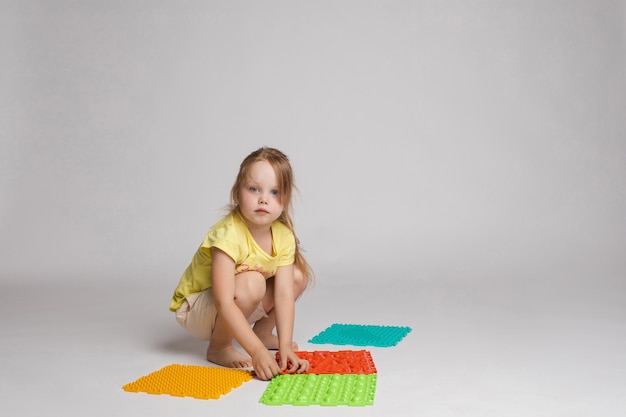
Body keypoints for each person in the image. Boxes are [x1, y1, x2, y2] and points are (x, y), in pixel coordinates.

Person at [169, 147, 313, 380]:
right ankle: (219, 347)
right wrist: (255, 352)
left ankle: (263, 334)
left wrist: (285, 346)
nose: (264, 198)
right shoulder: (229, 234)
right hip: (196, 308)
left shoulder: (283, 235)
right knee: (253, 282)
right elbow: (223, 301)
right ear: (237, 193)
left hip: (233, 303)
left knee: (297, 276)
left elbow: (284, 294)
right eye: (254, 189)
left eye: (275, 192)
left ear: (285, 201)